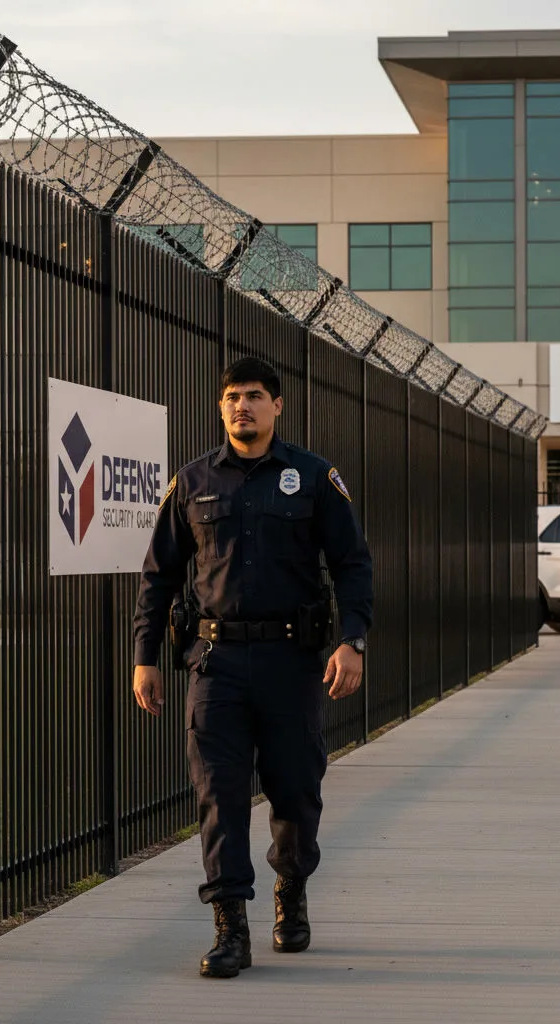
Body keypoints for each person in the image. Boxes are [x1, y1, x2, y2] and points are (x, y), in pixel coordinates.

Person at [131, 356, 373, 979]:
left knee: (295, 787)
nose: (244, 405)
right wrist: (145, 657)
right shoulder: (192, 482)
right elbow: (158, 577)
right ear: (220, 407)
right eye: (233, 396)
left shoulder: (313, 478)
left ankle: (290, 893)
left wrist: (353, 641)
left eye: (256, 396)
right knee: (220, 795)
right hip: (214, 665)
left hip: (292, 663)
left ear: (277, 406)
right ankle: (229, 924)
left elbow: (353, 564)